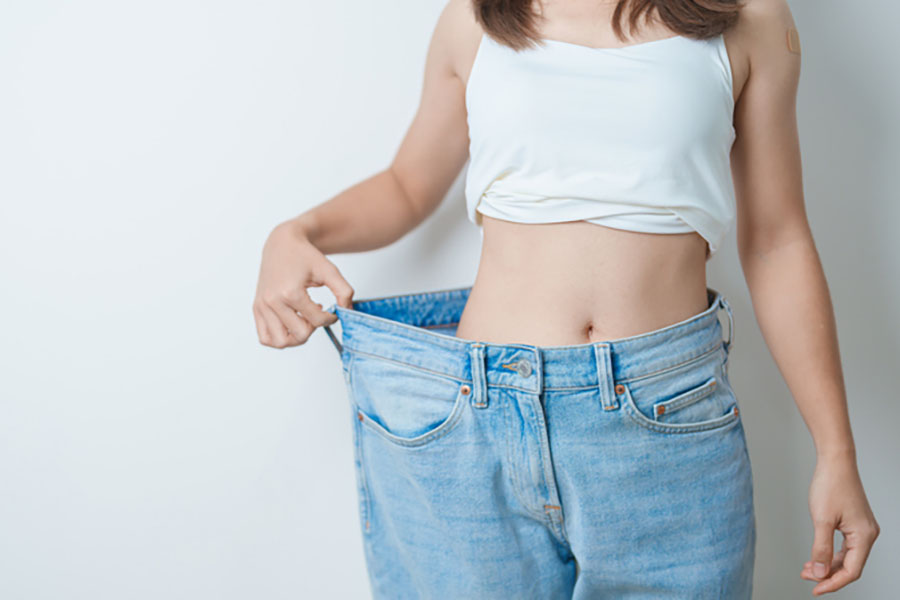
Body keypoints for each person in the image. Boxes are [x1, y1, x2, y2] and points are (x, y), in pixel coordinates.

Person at [253, 0, 880, 597]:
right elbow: (407, 186)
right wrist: (297, 232)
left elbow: (776, 241)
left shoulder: (748, 20)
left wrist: (837, 451)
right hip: (471, 422)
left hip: (663, 419)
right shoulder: (474, 20)